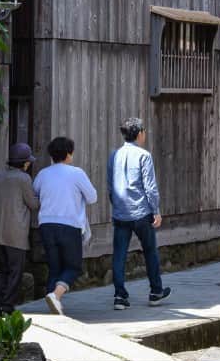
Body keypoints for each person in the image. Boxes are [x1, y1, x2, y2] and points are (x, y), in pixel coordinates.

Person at [108, 117, 171, 310]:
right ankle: (155, 292)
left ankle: (119, 296)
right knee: (150, 251)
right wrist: (156, 211)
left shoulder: (114, 155)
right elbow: (150, 187)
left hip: (120, 213)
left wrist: (116, 205)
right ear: (140, 133)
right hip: (141, 212)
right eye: (144, 131)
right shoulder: (144, 155)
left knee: (119, 255)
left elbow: (110, 186)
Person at [32, 136, 97, 315]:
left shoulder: (43, 174)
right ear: (69, 154)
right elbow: (92, 197)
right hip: (69, 224)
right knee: (73, 266)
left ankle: (54, 303)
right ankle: (55, 296)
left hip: (46, 224)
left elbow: (35, 192)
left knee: (54, 266)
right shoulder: (76, 173)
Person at [0, 142, 40, 316]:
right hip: (15, 233)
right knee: (15, 271)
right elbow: (33, 204)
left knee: (3, 270)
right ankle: (7, 305)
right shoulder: (23, 178)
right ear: (25, 163)